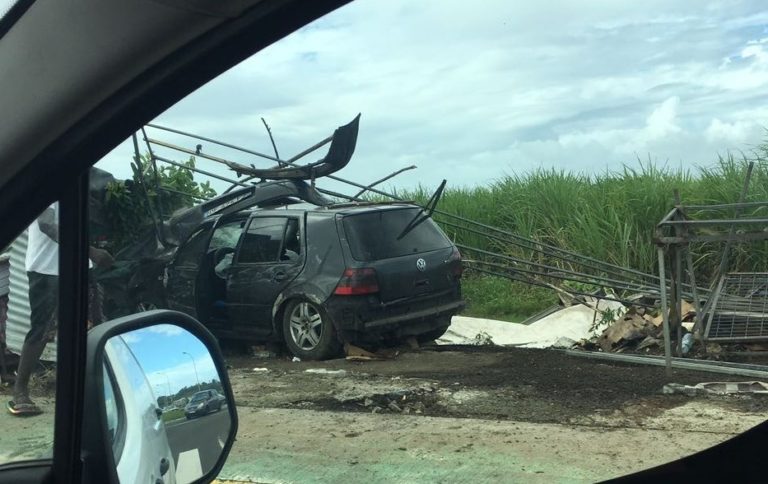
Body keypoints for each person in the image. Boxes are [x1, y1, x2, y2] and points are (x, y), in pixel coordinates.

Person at [7, 203, 113, 416]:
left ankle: (99, 389)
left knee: (93, 326)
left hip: (81, 266)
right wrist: (90, 251)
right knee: (43, 330)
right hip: (46, 270)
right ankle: (19, 392)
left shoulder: (78, 188)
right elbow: (46, 224)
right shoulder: (50, 179)